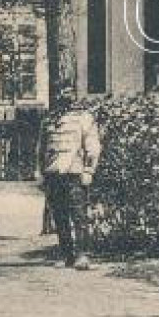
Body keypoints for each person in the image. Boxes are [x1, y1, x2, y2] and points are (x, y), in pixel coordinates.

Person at [38, 88, 102, 270]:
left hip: (75, 172)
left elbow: (92, 146)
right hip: (53, 173)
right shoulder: (49, 120)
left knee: (79, 215)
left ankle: (82, 255)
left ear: (74, 96)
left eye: (68, 93)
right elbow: (41, 149)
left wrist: (89, 170)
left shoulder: (84, 118)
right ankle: (67, 255)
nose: (63, 97)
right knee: (60, 216)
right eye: (60, 93)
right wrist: (41, 173)